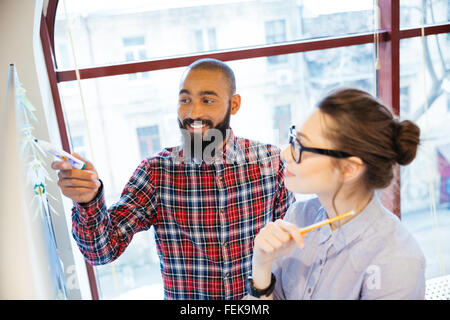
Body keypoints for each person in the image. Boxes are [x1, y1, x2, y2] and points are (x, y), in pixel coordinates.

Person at [51, 58, 295, 299]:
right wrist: (89, 201)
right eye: (185, 100)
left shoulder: (269, 162)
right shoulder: (157, 172)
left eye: (207, 100)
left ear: (233, 104)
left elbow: (292, 250)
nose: (193, 112)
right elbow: (101, 252)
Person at [246, 88, 426, 300]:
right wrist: (261, 267)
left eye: (301, 146)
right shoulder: (299, 216)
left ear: (349, 169)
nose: (285, 154)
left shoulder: (397, 261)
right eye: (293, 137)